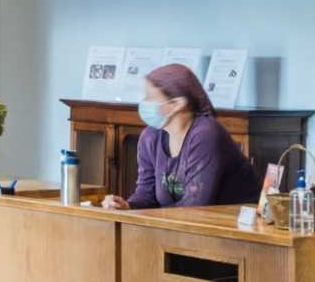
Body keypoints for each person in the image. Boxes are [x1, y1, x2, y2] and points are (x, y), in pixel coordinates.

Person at [106, 62, 248, 209]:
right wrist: (126, 206)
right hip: (180, 225)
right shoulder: (150, 137)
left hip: (230, 225)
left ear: (177, 104)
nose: (144, 103)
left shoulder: (206, 134)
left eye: (150, 97)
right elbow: (146, 195)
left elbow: (195, 206)